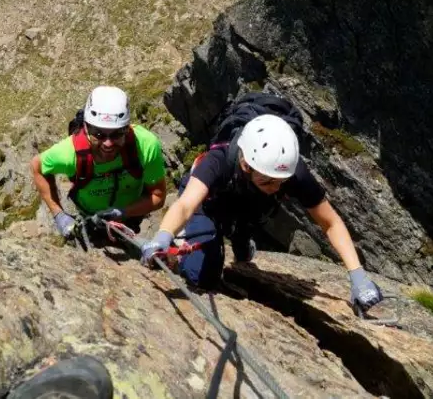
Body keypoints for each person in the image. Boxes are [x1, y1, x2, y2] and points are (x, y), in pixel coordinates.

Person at [141, 112, 384, 311]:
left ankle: (241, 242)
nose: (276, 188)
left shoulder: (291, 172)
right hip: (207, 204)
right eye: (268, 181)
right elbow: (185, 204)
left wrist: (358, 276)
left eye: (281, 182)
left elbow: (330, 223)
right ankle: (188, 247)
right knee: (201, 277)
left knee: (245, 245)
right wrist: (163, 237)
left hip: (249, 209)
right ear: (246, 164)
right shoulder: (218, 161)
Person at [30, 85, 167, 240]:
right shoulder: (70, 153)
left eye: (117, 134)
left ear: (127, 128)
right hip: (88, 217)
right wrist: (59, 215)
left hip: (131, 215)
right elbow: (37, 166)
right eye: (99, 134)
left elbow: (158, 196)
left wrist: (123, 212)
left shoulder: (145, 145)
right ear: (86, 128)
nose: (108, 143)